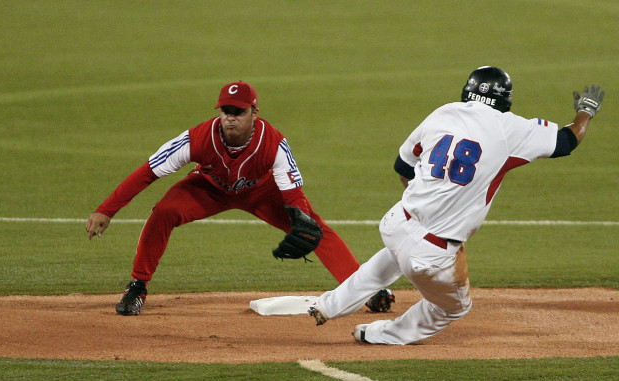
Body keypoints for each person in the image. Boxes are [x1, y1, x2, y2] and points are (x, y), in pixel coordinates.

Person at [308, 66, 604, 344]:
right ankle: (380, 334)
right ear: (505, 99)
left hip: (397, 221)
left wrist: (430, 196)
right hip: (432, 252)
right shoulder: (510, 128)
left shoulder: (443, 112)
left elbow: (403, 166)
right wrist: (585, 112)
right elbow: (567, 141)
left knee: (392, 256)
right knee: (453, 307)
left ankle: (328, 305)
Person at [86, 80, 377, 316]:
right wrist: (106, 210)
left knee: (313, 227)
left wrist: (300, 220)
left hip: (261, 192)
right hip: (209, 189)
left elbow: (293, 193)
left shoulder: (274, 143)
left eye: (238, 111)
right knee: (164, 212)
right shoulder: (197, 138)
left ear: (254, 112)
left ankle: (365, 291)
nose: (229, 117)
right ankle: (137, 286)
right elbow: (148, 171)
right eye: (225, 110)